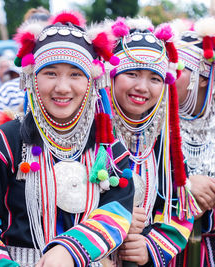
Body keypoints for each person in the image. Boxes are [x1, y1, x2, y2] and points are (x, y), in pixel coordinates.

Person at [0, 11, 135, 267]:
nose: (63, 87)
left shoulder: (108, 146)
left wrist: (71, 250)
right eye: (51, 73)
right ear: (32, 78)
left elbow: (118, 211)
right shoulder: (1, 143)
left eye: (76, 74)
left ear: (92, 81)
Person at [107, 17, 198, 266]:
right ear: (111, 76)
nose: (142, 87)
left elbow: (179, 208)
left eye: (155, 78)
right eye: (132, 73)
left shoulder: (162, 142)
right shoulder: (90, 134)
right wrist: (112, 220)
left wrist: (150, 246)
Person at [173, 17, 215, 266]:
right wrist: (184, 185)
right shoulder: (148, 119)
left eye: (178, 68)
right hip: (162, 249)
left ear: (202, 77)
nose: (168, 76)